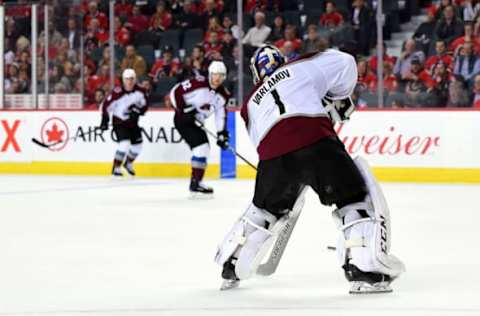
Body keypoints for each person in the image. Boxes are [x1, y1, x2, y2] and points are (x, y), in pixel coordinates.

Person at [214, 45, 405, 293]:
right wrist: (333, 95)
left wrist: (281, 174)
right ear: (282, 60)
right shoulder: (300, 66)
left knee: (264, 210)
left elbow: (262, 140)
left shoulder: (249, 103)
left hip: (273, 158)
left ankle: (232, 263)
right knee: (354, 198)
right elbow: (346, 61)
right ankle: (364, 269)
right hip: (315, 140)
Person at [169, 61, 230, 196]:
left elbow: (220, 114)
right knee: (202, 147)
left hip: (196, 122)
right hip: (182, 120)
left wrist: (222, 133)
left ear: (224, 77)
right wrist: (183, 110)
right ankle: (195, 182)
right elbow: (175, 92)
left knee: (204, 148)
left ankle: (196, 182)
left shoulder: (223, 95)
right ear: (209, 74)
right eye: (214, 74)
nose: (217, 78)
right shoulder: (198, 83)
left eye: (220, 75)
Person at [99, 68, 149, 176]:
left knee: (138, 146)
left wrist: (138, 111)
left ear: (135, 79)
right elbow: (106, 107)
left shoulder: (141, 91)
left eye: (131, 79)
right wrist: (104, 121)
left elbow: (145, 105)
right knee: (124, 144)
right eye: (127, 79)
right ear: (123, 80)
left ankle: (128, 164)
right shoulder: (117, 93)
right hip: (120, 123)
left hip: (133, 123)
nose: (129, 81)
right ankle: (116, 167)